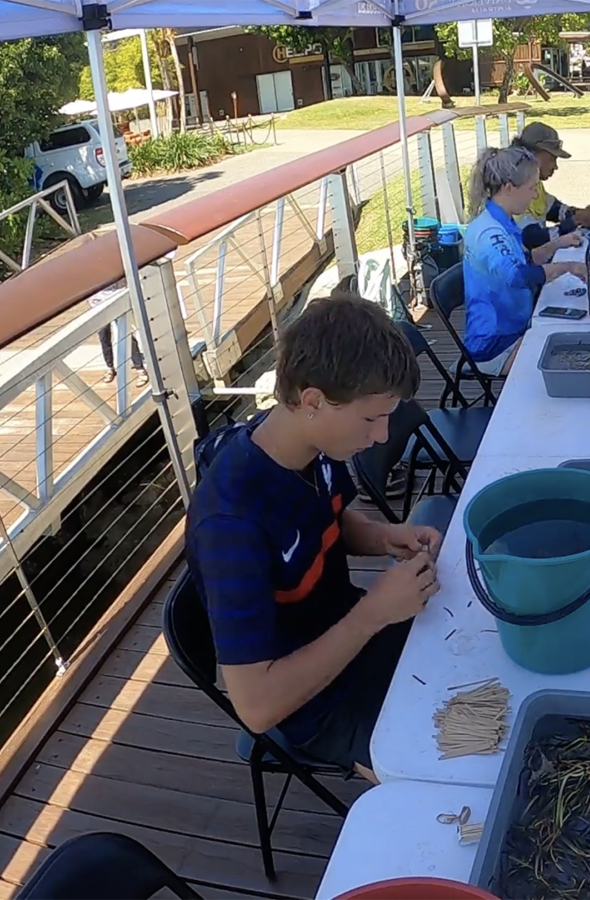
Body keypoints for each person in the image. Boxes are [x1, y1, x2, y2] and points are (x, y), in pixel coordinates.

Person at [186, 293, 443, 781]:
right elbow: (257, 708)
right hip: (317, 700)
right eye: (371, 419)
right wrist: (372, 615)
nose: (382, 436)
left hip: (357, 632)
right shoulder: (230, 524)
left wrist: (385, 536)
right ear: (312, 401)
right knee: (442, 783)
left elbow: (332, 520)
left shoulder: (308, 442)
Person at [463, 145, 587, 377]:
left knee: (570, 344)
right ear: (509, 188)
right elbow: (519, 276)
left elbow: (525, 260)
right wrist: (568, 266)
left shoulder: (501, 221)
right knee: (569, 363)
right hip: (495, 345)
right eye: (531, 188)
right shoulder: (489, 233)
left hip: (514, 330)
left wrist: (559, 244)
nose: (534, 195)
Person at [510, 122, 590, 249]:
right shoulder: (514, 187)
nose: (555, 167)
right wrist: (575, 221)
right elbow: (532, 238)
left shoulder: (533, 183)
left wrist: (579, 213)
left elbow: (554, 209)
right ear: (531, 155)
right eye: (552, 159)